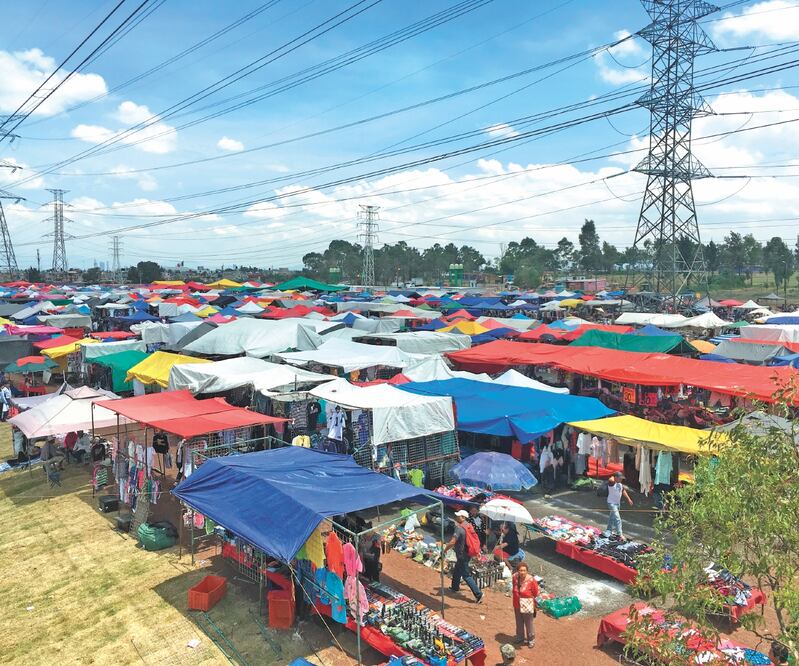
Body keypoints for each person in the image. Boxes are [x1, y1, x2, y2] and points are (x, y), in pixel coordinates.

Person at [442, 509, 483, 603]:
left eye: (458, 516)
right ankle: (454, 587)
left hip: (462, 555)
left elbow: (453, 541)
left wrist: (445, 550)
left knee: (466, 575)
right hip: (468, 553)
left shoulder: (459, 528)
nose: (456, 517)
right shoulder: (468, 526)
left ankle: (478, 594)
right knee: (457, 569)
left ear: (463, 517)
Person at [512, 561, 539, 648]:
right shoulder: (515, 577)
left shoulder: (531, 580)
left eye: (524, 570)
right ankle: (520, 637)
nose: (522, 572)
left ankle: (531, 639)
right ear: (518, 571)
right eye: (520, 570)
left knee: (528, 622)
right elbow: (514, 587)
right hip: (516, 603)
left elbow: (535, 592)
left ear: (527, 571)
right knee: (519, 621)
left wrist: (527, 598)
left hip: (527, 603)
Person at [606, 473, 633, 540]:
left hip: (617, 504)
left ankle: (608, 530)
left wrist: (629, 499)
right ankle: (619, 534)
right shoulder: (612, 484)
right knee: (617, 518)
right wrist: (614, 476)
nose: (621, 480)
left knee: (612, 517)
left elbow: (623, 491)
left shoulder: (620, 485)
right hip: (611, 503)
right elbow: (610, 479)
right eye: (619, 478)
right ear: (615, 477)